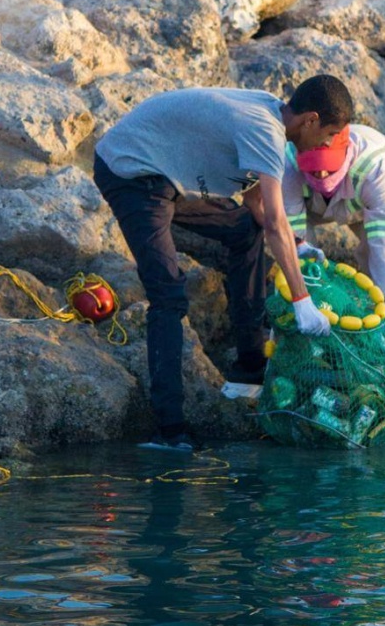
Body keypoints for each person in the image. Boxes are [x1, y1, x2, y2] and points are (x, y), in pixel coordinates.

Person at [93, 75, 354, 452]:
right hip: (131, 173)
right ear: (310, 120)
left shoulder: (270, 112)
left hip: (172, 177)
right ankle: (169, 430)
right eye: (329, 133)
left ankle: (249, 365)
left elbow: (254, 201)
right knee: (168, 294)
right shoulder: (266, 130)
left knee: (245, 230)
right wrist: (302, 303)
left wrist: (295, 245)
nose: (329, 143)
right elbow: (278, 222)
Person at [282, 122, 385, 386]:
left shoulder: (373, 165)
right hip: (316, 200)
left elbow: (384, 239)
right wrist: (304, 295)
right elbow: (292, 234)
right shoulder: (289, 162)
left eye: (327, 166)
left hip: (371, 188)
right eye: (313, 167)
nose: (321, 172)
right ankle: (326, 334)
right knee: (301, 258)